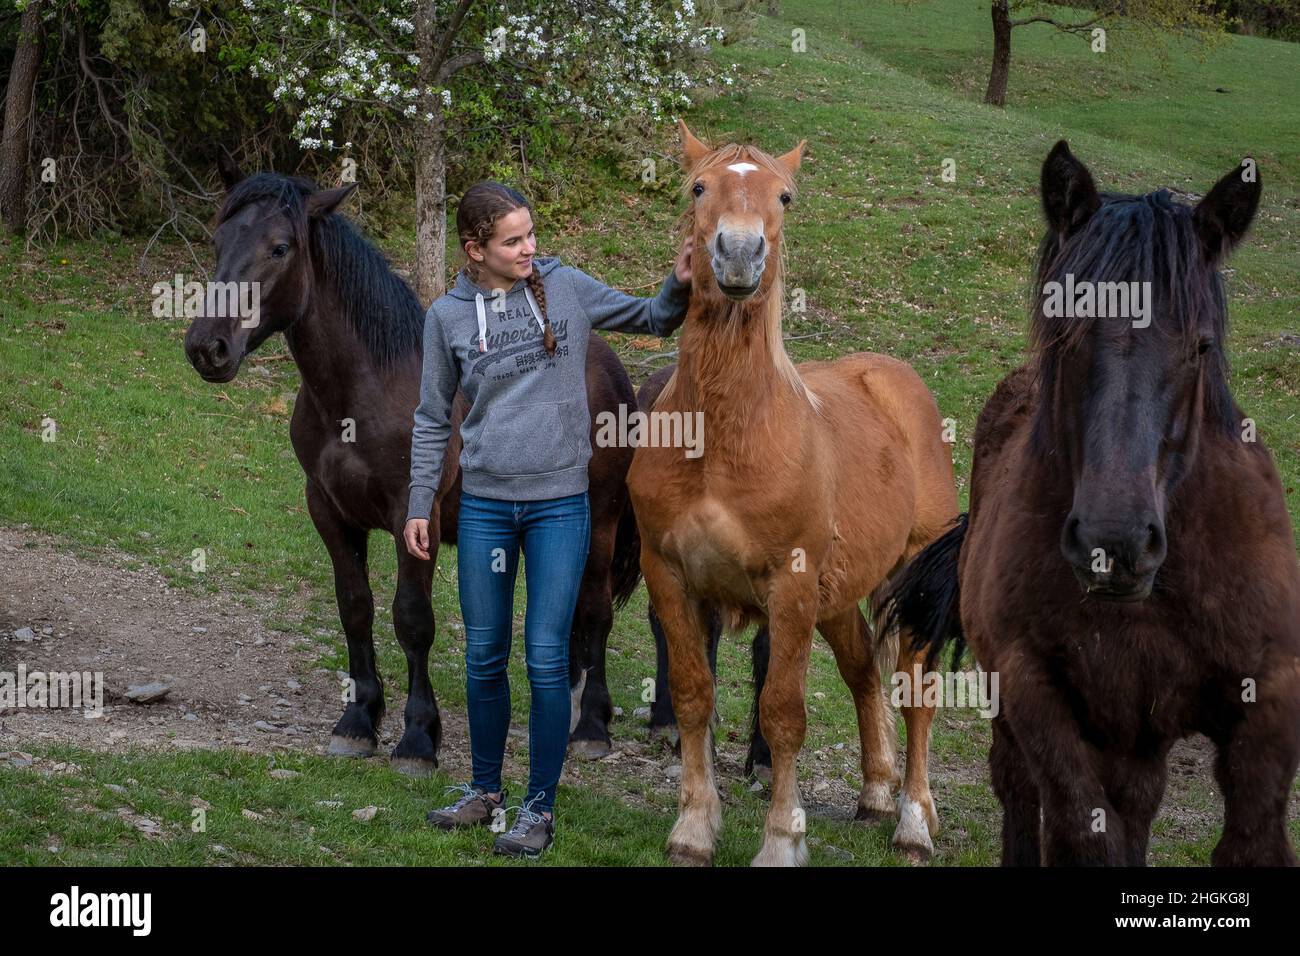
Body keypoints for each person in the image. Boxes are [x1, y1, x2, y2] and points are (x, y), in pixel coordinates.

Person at [403, 181, 693, 857]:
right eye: (512, 241)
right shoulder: (447, 316)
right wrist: (421, 501)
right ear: (475, 250)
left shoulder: (564, 289)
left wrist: (676, 285)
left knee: (543, 657)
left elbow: (652, 317)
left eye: (531, 235)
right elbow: (429, 417)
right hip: (483, 508)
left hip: (560, 505)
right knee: (482, 656)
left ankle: (538, 807)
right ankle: (483, 791)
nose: (529, 248)